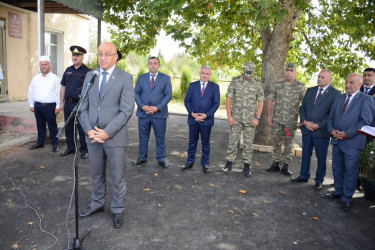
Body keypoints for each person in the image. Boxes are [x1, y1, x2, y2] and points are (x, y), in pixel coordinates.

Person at [78, 42, 134, 228]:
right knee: (96, 174)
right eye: (100, 53)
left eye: (107, 54)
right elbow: (83, 107)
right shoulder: (90, 75)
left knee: (117, 176)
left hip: (114, 137)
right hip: (92, 136)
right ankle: (97, 204)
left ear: (116, 56)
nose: (102, 57)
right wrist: (88, 130)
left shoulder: (125, 78)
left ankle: (117, 210)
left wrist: (106, 132)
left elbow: (126, 111)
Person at [325, 73, 374, 212]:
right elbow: (331, 117)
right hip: (336, 140)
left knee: (350, 172)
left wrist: (347, 134)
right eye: (346, 82)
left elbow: (365, 122)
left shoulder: (366, 99)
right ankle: (338, 192)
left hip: (353, 143)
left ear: (360, 85)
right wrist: (331, 130)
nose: (347, 85)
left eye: (351, 82)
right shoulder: (339, 98)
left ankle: (346, 198)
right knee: (337, 169)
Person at [291, 70, 341, 191]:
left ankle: (319, 180)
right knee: (306, 154)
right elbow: (302, 108)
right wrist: (304, 121)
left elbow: (332, 114)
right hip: (307, 129)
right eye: (318, 76)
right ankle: (304, 176)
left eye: (322, 77)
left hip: (321, 132)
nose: (319, 79)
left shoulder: (335, 93)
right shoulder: (310, 90)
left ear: (330, 79)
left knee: (321, 157)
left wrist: (319, 125)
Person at [220, 62, 264, 177]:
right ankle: (228, 164)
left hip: (251, 120)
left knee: (248, 144)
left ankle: (246, 167)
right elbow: (228, 98)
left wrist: (257, 118)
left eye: (250, 73)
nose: (247, 75)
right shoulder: (235, 81)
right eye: (246, 72)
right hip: (236, 118)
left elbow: (261, 101)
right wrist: (229, 116)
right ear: (243, 70)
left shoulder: (258, 84)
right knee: (232, 141)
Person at [265, 63, 306, 176]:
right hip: (277, 120)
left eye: (291, 71)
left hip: (291, 122)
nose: (289, 72)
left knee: (289, 144)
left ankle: (286, 165)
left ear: (295, 72)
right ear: (284, 71)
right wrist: (268, 116)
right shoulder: (277, 85)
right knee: (276, 142)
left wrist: (302, 120)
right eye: (287, 70)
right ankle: (275, 163)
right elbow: (270, 100)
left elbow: (305, 104)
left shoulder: (300, 87)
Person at [133, 56, 172, 168]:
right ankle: (142, 157)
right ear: (148, 65)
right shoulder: (141, 78)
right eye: (150, 63)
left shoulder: (165, 78)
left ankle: (161, 159)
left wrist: (157, 108)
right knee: (143, 137)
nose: (153, 65)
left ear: (159, 65)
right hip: (143, 113)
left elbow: (168, 95)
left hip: (159, 114)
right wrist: (142, 106)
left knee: (160, 137)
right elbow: (136, 93)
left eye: (155, 63)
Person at [181, 65, 220, 174]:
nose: (205, 75)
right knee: (192, 142)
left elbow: (216, 103)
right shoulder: (192, 86)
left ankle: (205, 164)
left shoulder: (214, 87)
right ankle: (189, 162)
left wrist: (206, 115)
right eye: (203, 73)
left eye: (207, 73)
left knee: (205, 143)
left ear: (210, 75)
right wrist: (193, 114)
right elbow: (187, 101)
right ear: (200, 73)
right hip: (193, 119)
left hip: (206, 120)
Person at [59, 46, 91, 159]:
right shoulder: (68, 70)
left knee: (82, 128)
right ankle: (70, 148)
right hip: (68, 104)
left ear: (82, 57)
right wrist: (61, 103)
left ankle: (84, 150)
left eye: (77, 55)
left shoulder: (87, 71)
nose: (75, 57)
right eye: (73, 55)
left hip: (81, 104)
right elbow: (63, 86)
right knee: (68, 127)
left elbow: (91, 89)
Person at [28, 56, 61, 152]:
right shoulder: (35, 78)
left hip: (50, 107)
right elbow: (31, 91)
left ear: (50, 65)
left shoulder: (55, 78)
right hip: (38, 106)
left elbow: (58, 93)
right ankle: (40, 142)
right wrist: (31, 104)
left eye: (45, 64)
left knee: (52, 126)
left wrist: (58, 106)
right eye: (41, 64)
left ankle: (55, 144)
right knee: (40, 125)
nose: (43, 66)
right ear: (39, 66)